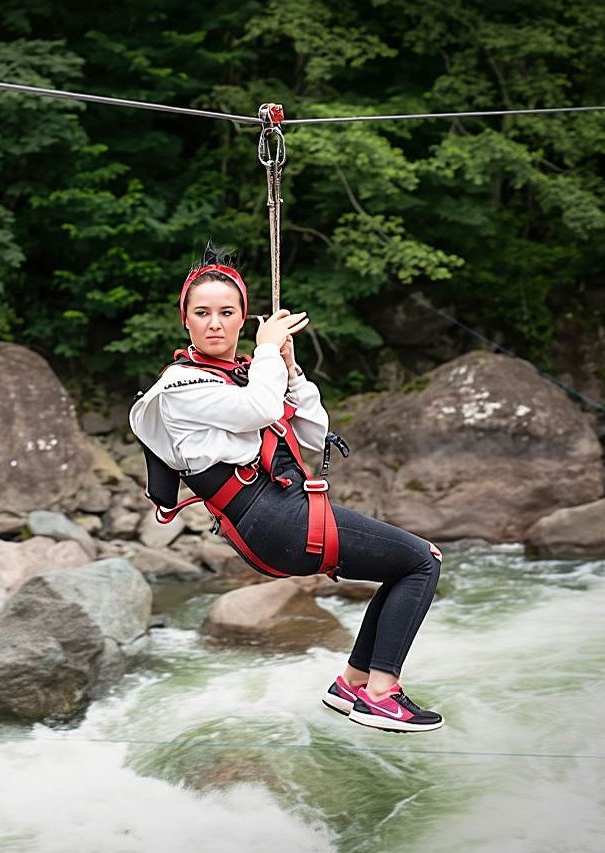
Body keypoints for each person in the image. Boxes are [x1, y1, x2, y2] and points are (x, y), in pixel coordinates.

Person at [129, 244, 444, 733]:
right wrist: (270, 352)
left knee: (409, 565)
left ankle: (354, 684)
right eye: (202, 313)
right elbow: (258, 409)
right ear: (185, 322)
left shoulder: (245, 375)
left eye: (226, 312)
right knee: (423, 560)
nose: (215, 323)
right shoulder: (181, 388)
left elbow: (314, 435)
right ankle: (382, 693)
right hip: (270, 519)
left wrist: (290, 369)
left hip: (286, 511)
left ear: (240, 320)